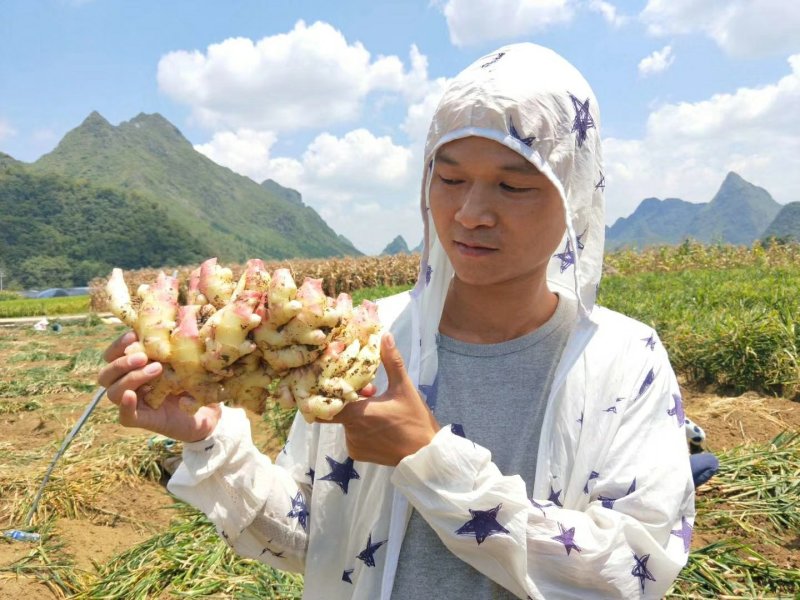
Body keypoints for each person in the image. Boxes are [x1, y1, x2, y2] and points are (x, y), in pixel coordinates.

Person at [98, 43, 695, 599]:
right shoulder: (361, 340)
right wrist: (210, 437)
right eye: (451, 177)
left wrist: (430, 460)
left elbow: (633, 573)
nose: (469, 213)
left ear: (571, 196)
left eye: (513, 185)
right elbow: (311, 538)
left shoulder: (625, 361)